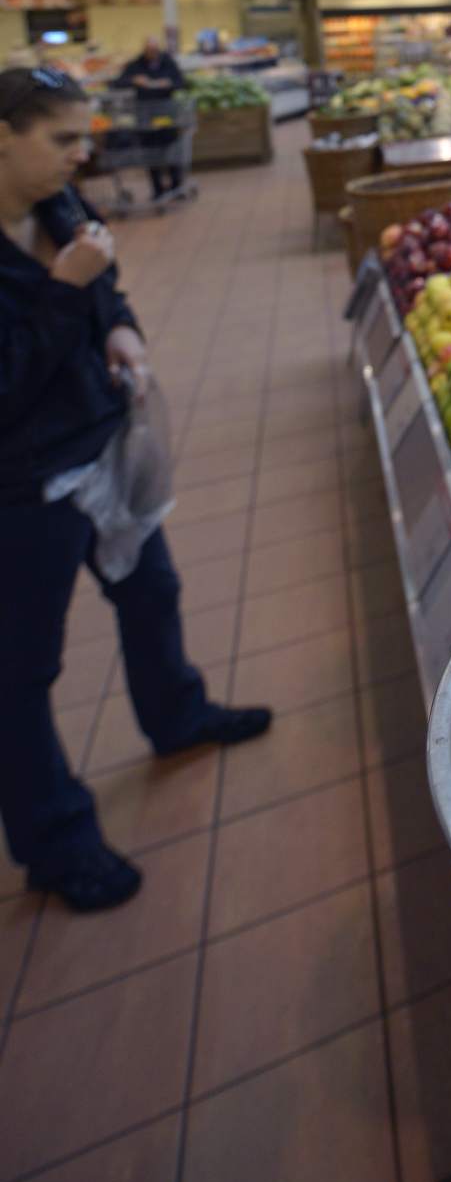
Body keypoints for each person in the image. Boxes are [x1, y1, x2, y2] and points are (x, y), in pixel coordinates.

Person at [0, 66, 271, 913]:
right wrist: (63, 291)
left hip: (100, 449)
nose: (78, 156)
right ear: (3, 136)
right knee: (21, 669)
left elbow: (105, 287)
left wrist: (119, 327)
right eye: (60, 139)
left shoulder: (59, 208)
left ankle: (177, 714)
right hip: (22, 487)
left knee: (150, 590)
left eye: (82, 139)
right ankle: (56, 842)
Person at [113, 34, 187, 202]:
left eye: (154, 50)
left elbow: (182, 82)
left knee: (172, 150)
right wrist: (134, 80)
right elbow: (118, 82)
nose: (152, 53)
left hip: (167, 113)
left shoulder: (168, 63)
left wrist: (168, 83)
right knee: (150, 153)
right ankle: (158, 189)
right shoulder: (135, 65)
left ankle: (177, 186)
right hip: (145, 114)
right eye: (149, 50)